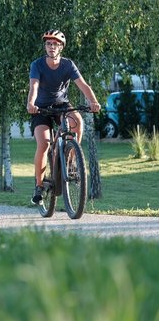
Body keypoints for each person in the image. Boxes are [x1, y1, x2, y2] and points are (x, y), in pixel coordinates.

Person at [26, 29, 101, 205]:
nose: (51, 47)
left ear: (61, 47)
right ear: (45, 46)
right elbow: (34, 87)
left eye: (55, 44)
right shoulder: (37, 65)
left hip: (61, 105)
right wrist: (31, 103)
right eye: (48, 44)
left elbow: (83, 85)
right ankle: (39, 185)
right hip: (41, 108)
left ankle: (71, 161)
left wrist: (94, 102)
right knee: (44, 143)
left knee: (77, 123)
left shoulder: (68, 65)